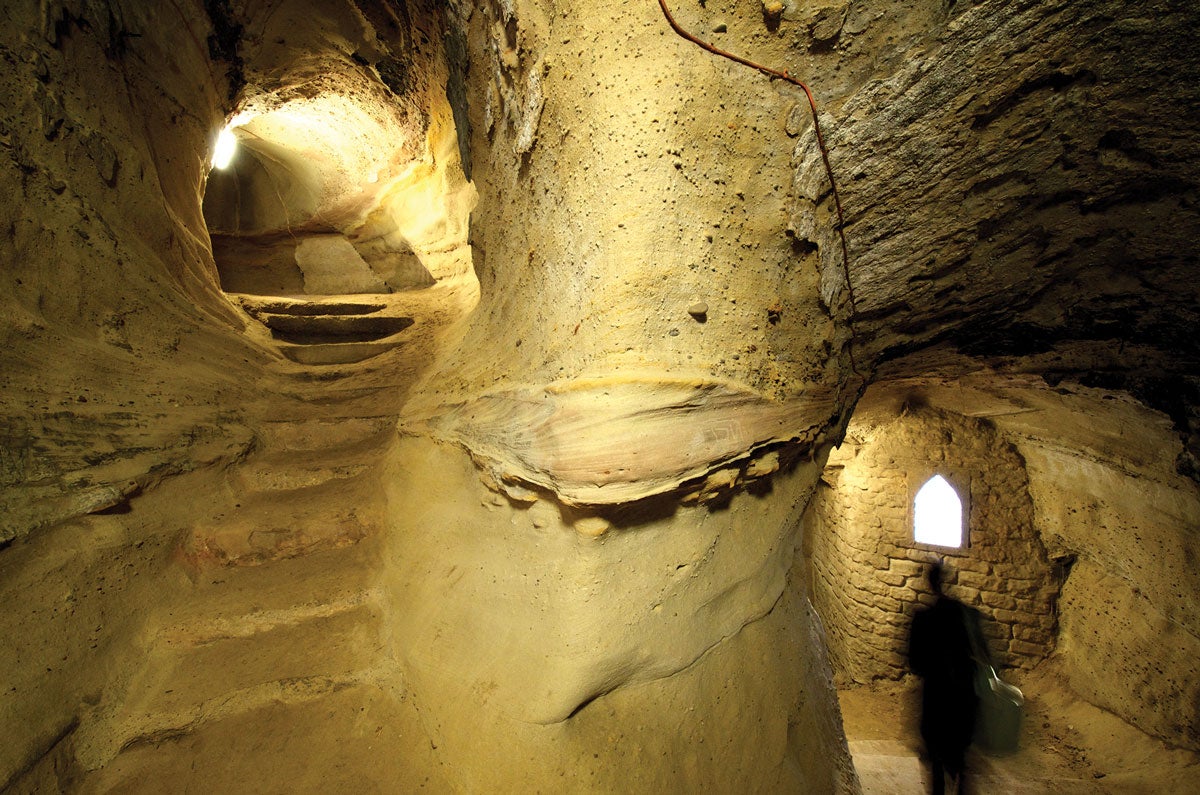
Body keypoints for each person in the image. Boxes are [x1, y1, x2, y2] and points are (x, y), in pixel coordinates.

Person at [908, 562, 989, 795]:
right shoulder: (965, 615)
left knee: (936, 760)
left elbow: (914, 663)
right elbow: (982, 653)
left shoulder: (922, 620)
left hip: (936, 695)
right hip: (962, 695)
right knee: (959, 755)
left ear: (928, 583)